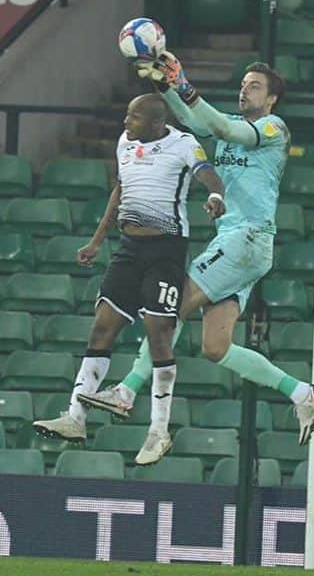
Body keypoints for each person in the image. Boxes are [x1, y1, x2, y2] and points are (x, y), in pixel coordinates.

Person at [81, 57, 314, 445]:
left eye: (256, 86)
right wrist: (165, 86)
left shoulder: (272, 128)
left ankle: (127, 390)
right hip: (239, 246)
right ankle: (302, 393)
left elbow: (219, 126)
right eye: (244, 83)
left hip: (245, 238)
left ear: (273, 99)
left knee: (170, 308)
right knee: (216, 348)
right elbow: (195, 121)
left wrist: (184, 83)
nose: (245, 89)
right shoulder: (232, 123)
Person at [33, 93, 226, 466]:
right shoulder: (125, 143)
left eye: (134, 117)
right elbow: (120, 190)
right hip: (128, 249)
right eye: (126, 115)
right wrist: (97, 239)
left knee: (158, 334)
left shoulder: (183, 144)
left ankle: (158, 431)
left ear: (156, 123)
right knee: (102, 327)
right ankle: (75, 416)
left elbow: (207, 172)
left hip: (166, 252)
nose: (125, 122)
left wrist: (216, 194)